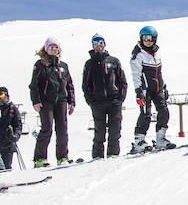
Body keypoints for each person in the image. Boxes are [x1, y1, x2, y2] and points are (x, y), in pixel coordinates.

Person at [29, 37, 75, 167]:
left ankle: (62, 157)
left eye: (56, 47)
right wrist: (35, 101)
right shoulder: (40, 64)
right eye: (51, 47)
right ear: (46, 49)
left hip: (61, 101)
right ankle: (40, 159)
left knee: (62, 130)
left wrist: (71, 102)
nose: (53, 49)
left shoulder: (63, 66)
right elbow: (34, 84)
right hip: (45, 101)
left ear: (59, 49)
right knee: (47, 128)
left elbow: (69, 85)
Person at [81, 34, 127, 158]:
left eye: (101, 42)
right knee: (99, 130)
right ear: (93, 45)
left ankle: (113, 154)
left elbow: (122, 80)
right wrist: (90, 100)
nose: (99, 44)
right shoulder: (89, 64)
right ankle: (97, 156)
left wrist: (120, 98)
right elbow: (86, 84)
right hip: (98, 102)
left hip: (114, 101)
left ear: (104, 44)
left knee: (115, 129)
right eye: (96, 42)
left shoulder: (113, 61)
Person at [130, 26, 174, 152]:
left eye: (150, 38)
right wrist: (138, 92)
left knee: (164, 111)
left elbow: (159, 72)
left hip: (158, 88)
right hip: (146, 89)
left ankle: (160, 139)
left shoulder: (157, 53)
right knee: (146, 114)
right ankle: (139, 141)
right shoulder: (138, 55)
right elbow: (136, 74)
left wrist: (163, 86)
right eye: (145, 38)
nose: (148, 41)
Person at [0, 87, 23, 171]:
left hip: (7, 144)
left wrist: (15, 136)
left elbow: (18, 125)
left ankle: (6, 181)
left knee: (6, 168)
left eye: (1, 95)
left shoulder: (12, 109)